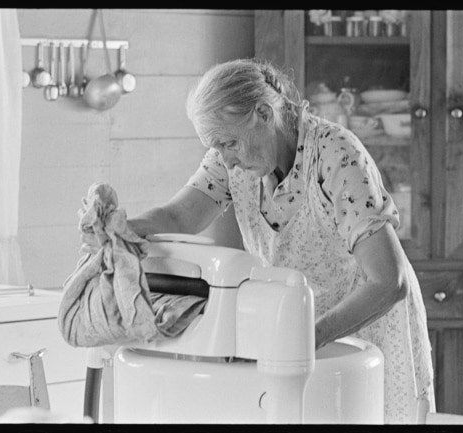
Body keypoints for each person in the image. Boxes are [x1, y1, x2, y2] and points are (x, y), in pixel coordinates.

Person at [85, 58, 435, 424]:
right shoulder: (230, 160)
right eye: (216, 146)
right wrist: (116, 227)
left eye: (230, 143)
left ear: (265, 114)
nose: (227, 161)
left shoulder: (336, 155)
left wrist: (304, 339)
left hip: (367, 329)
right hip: (299, 328)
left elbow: (388, 281)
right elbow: (179, 216)